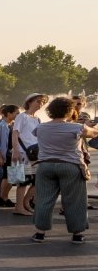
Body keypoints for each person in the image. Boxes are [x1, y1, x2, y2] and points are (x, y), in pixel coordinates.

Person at [30, 96, 98, 243]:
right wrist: (91, 126)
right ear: (69, 111)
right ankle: (77, 234)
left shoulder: (40, 127)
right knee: (75, 201)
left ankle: (39, 233)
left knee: (44, 200)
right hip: (70, 166)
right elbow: (93, 133)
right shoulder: (76, 127)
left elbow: (35, 135)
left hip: (45, 165)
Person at [11, 92, 46, 217]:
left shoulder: (37, 119)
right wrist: (15, 151)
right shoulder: (22, 116)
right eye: (38, 101)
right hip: (21, 153)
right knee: (21, 181)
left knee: (37, 180)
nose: (40, 104)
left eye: (42, 102)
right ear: (30, 102)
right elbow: (15, 134)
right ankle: (19, 207)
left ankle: (25, 202)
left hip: (34, 154)